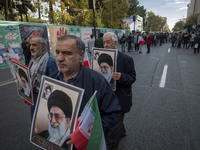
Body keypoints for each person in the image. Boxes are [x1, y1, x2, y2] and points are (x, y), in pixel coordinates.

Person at [50, 35, 121, 148]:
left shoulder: (98, 82)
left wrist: (87, 134)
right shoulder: (52, 79)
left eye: (67, 53)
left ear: (81, 56)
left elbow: (112, 113)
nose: (59, 58)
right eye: (57, 52)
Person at [103, 32, 136, 150]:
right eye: (104, 42)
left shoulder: (126, 59)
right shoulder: (100, 58)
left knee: (112, 133)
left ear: (115, 43)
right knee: (117, 123)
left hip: (119, 100)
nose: (105, 45)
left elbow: (132, 78)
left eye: (108, 42)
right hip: (106, 98)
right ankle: (121, 131)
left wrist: (121, 77)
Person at [29, 35, 58, 120]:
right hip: (33, 98)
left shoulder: (50, 62)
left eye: (34, 45)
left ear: (43, 47)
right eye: (30, 45)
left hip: (43, 101)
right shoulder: (32, 60)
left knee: (42, 124)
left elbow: (53, 85)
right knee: (34, 122)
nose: (31, 47)